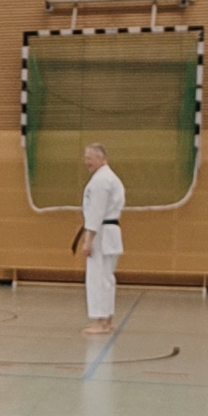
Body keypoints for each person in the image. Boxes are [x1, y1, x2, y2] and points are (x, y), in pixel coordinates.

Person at [79, 142, 126, 335]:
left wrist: (88, 240)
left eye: (89, 158)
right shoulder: (108, 178)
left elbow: (96, 213)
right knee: (106, 278)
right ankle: (106, 320)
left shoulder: (101, 181)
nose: (86, 162)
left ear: (100, 158)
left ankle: (101, 321)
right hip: (109, 232)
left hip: (101, 233)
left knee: (98, 278)